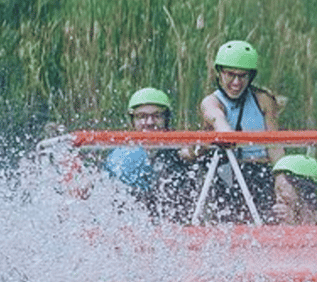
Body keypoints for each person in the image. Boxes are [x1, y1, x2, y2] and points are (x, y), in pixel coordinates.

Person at [199, 40, 284, 223]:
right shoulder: (211, 102)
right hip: (227, 175)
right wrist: (224, 131)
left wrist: (281, 177)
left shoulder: (263, 100)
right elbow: (216, 117)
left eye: (242, 76)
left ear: (251, 77)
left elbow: (275, 145)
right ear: (220, 73)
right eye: (230, 75)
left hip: (260, 173)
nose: (236, 82)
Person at [105, 87, 197, 222]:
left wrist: (193, 152)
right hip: (132, 220)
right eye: (142, 116)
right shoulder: (119, 154)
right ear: (132, 121)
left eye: (157, 116)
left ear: (166, 118)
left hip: (173, 219)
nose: (149, 122)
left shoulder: (178, 145)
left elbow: (190, 152)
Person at [271, 155, 317, 225]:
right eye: (276, 193)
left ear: (303, 191)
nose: (278, 199)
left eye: (281, 191)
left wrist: (292, 223)